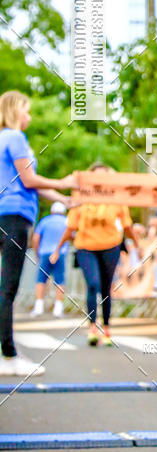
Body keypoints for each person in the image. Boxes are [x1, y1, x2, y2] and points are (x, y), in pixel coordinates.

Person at [0, 91, 76, 376]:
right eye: (27, 111)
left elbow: (33, 186)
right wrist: (64, 181)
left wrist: (65, 200)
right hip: (15, 217)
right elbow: (29, 180)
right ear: (16, 110)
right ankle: (8, 356)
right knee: (7, 288)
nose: (29, 117)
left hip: (4, 213)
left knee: (3, 288)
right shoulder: (15, 137)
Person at [50, 162, 140, 346]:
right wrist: (57, 249)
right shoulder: (81, 197)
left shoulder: (116, 198)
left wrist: (137, 245)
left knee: (106, 288)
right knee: (93, 284)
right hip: (86, 247)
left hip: (111, 246)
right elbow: (70, 227)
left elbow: (127, 225)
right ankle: (92, 327)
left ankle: (106, 327)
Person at [32, 201, 69, 318]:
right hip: (60, 253)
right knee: (60, 280)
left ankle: (38, 307)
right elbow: (72, 235)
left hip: (45, 252)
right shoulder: (66, 221)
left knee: (41, 279)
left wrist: (36, 252)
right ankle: (58, 309)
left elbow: (36, 238)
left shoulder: (45, 221)